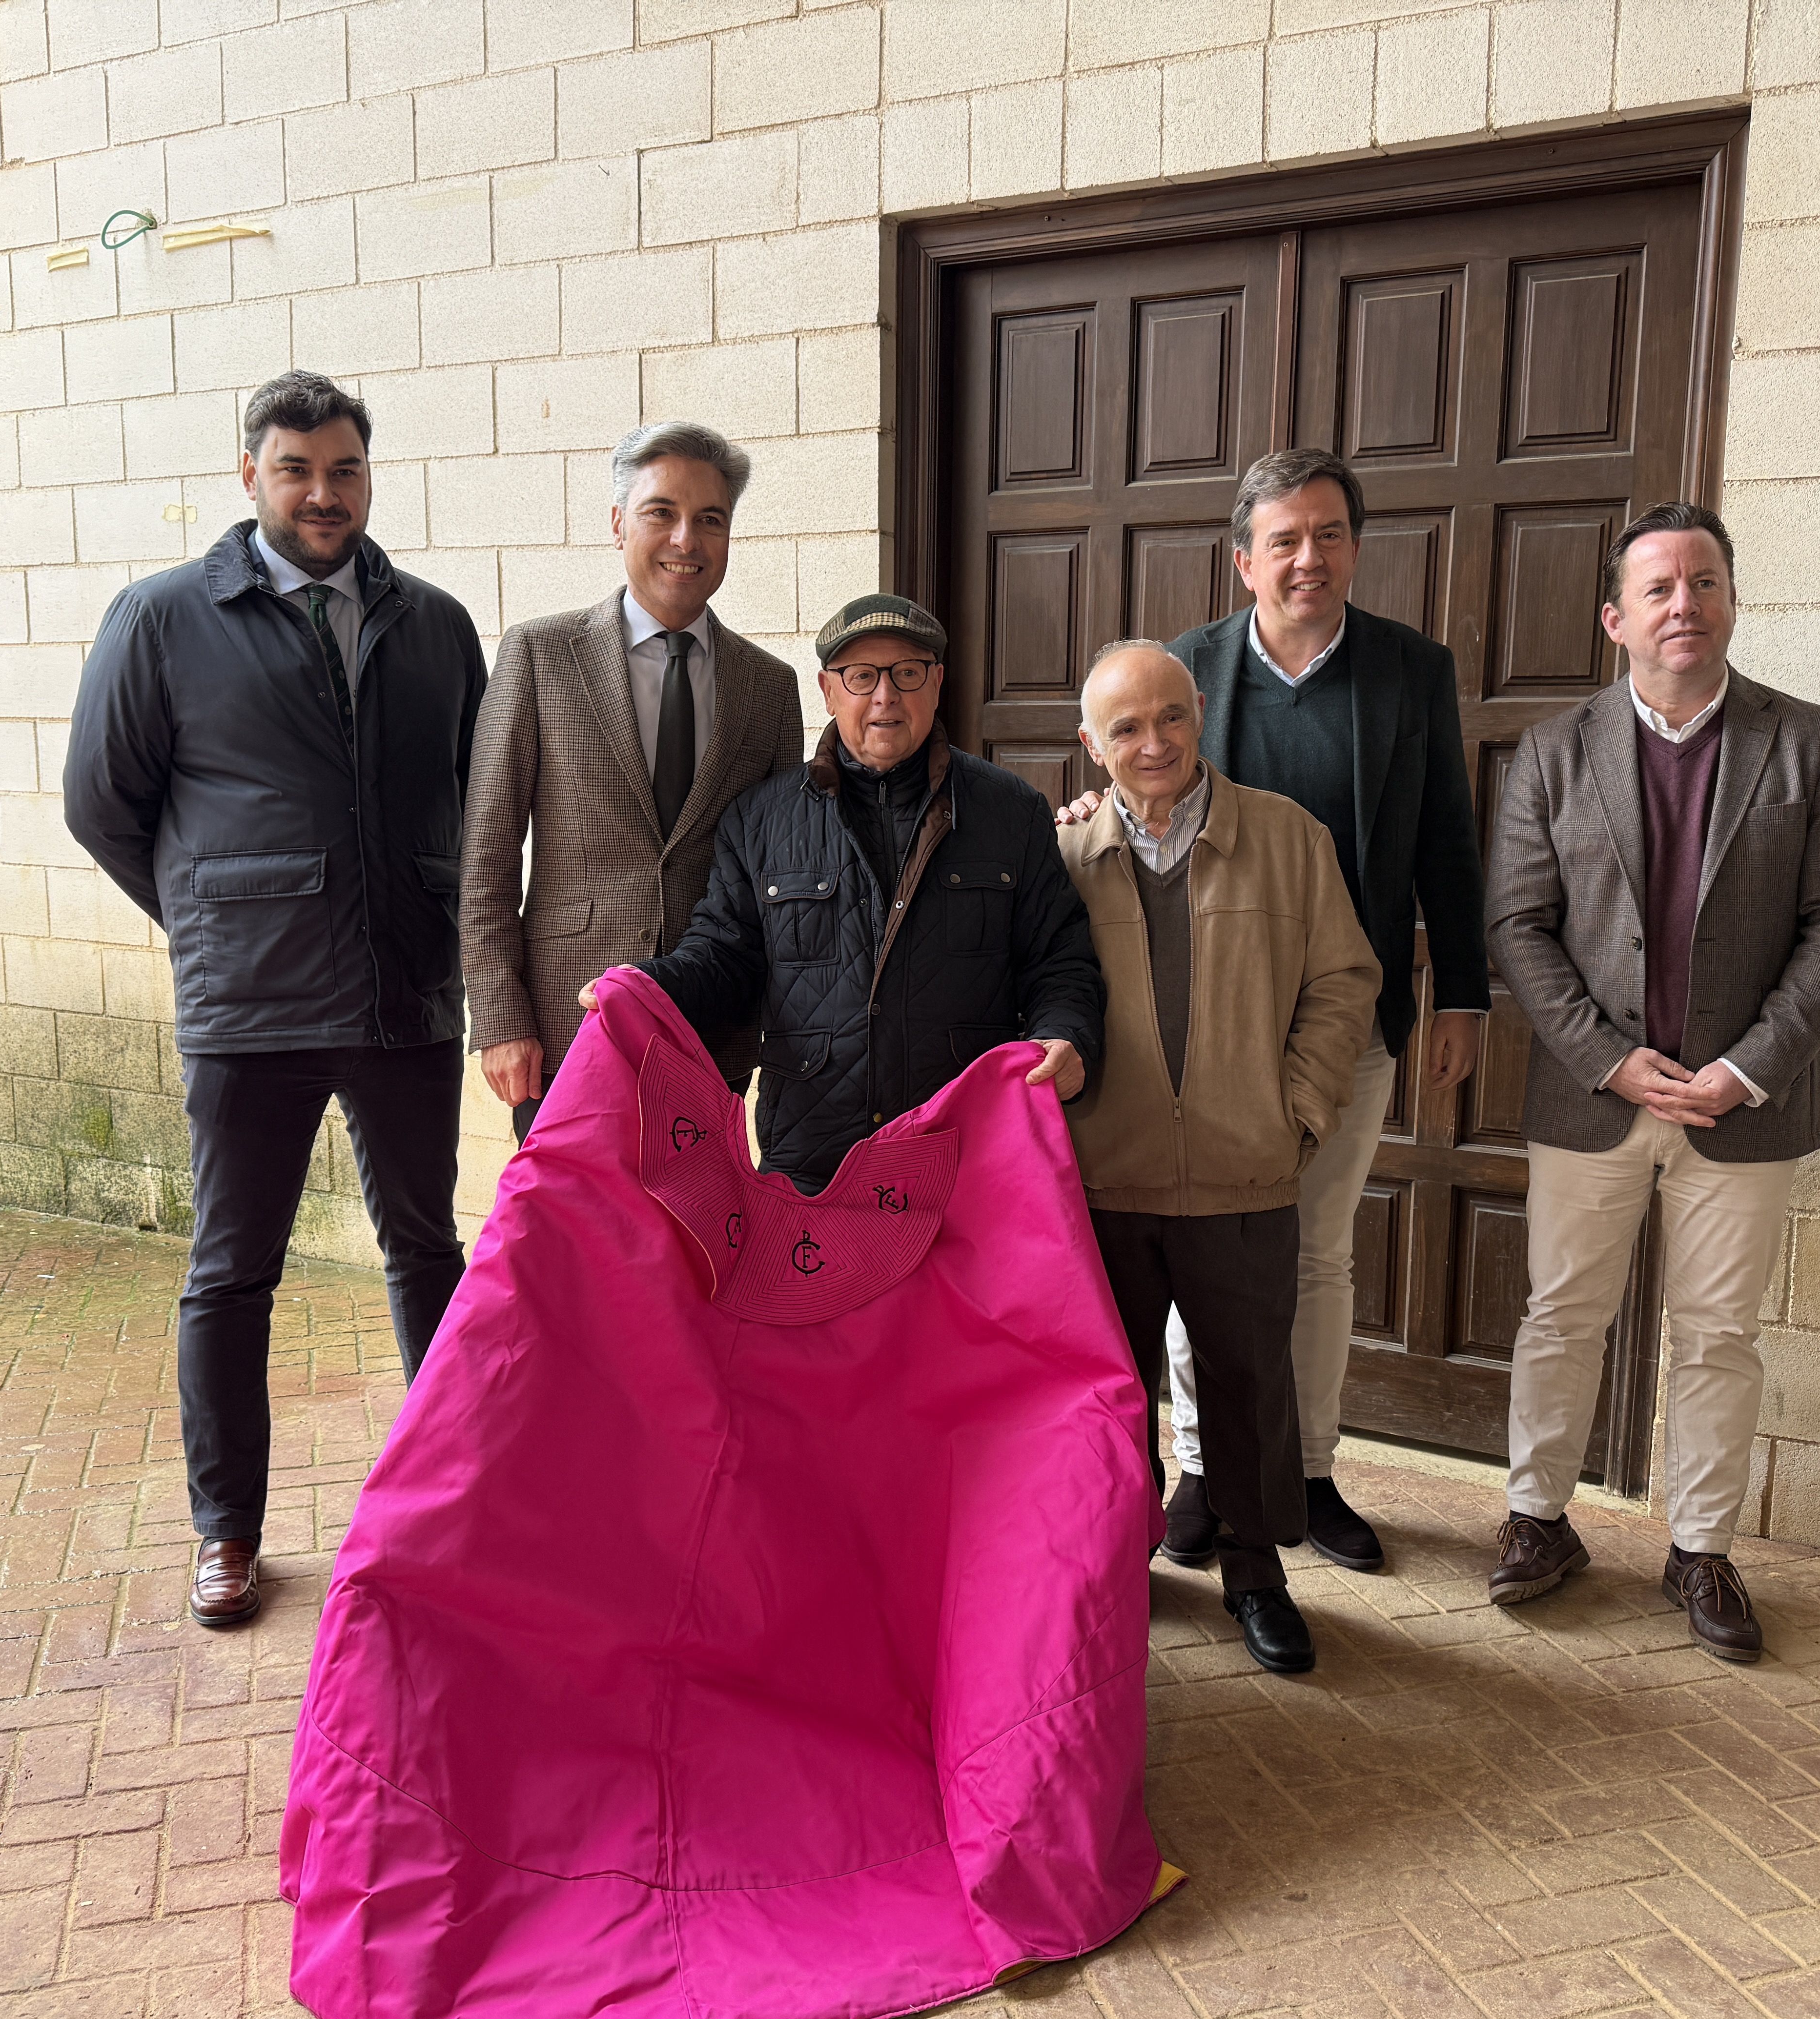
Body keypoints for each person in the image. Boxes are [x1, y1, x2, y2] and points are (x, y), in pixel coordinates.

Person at [62, 370, 486, 1631]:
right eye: (296, 469)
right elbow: (103, 804)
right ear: (249, 476)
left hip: (408, 989)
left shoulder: (436, 624)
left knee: (429, 1253)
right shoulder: (160, 620)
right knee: (232, 1270)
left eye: (344, 469)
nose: (322, 492)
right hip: (250, 1003)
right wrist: (215, 921)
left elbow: (473, 790)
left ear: (368, 478)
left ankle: (448, 1508)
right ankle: (227, 1532)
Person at [1073, 449, 1488, 1577]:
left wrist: (1463, 988)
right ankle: (1206, 1472)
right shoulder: (1189, 671)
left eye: (1331, 535)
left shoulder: (1410, 672)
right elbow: (1134, 783)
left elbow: (1449, 836)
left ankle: (1306, 1471)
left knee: (1312, 1256)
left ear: (1356, 546)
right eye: (1286, 539)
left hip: (1341, 1026)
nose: (1310, 559)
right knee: (1200, 1256)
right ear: (1244, 557)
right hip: (1202, 1034)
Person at [1483, 502, 1820, 1662]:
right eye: (1657, 589)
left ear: (1732, 602)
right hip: (1592, 1097)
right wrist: (1608, 1055)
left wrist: (1751, 1066)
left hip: (1741, 1108)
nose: (1683, 606)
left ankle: (1700, 1547)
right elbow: (1518, 927)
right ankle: (1538, 1520)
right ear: (1617, 618)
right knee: (1562, 1316)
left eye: (1703, 583)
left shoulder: (1808, 742)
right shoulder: (1553, 754)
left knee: (1717, 1335)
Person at [1059, 642, 1379, 1674]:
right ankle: (1120, 1563)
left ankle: (1254, 1572)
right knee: (1114, 1397)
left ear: (1199, 713)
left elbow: (1344, 980)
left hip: (1248, 1175)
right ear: (1090, 746)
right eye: (1125, 729)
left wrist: (1296, 1113)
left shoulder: (1288, 839)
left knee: (1247, 1386)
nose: (1153, 746)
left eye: (1170, 719)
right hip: (1106, 1180)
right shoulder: (1062, 855)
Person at [592, 593, 1103, 1193]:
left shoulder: (1011, 812)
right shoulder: (759, 821)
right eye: (861, 677)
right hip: (812, 1163)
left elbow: (1060, 961)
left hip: (968, 1156)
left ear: (937, 683)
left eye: (907, 674)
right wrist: (644, 989)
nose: (885, 696)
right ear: (828, 691)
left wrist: (1067, 1036)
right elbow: (722, 958)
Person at [460, 423, 804, 1141]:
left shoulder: (769, 687)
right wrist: (499, 1017)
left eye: (711, 519)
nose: (687, 539)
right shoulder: (540, 656)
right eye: (662, 513)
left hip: (711, 1034)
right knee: (569, 1248)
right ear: (620, 522)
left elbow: (781, 871)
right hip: (564, 1030)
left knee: (694, 1247)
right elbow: (487, 855)